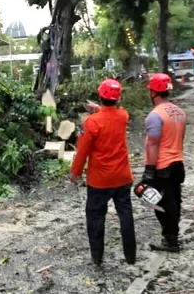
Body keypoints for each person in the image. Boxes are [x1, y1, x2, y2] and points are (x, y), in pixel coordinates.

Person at [70, 79, 136, 266]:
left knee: (96, 218)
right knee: (126, 216)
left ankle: (97, 258)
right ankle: (130, 256)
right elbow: (111, 114)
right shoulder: (123, 116)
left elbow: (82, 152)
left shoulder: (91, 123)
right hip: (123, 177)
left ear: (100, 95)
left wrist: (75, 173)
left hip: (99, 181)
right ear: (118, 98)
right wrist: (99, 108)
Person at [139, 73, 187, 253]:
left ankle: (171, 240)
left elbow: (153, 144)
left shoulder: (155, 116)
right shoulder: (180, 112)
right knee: (175, 200)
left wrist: (149, 170)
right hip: (177, 163)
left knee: (161, 204)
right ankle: (172, 236)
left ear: (153, 92)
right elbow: (180, 138)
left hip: (162, 167)